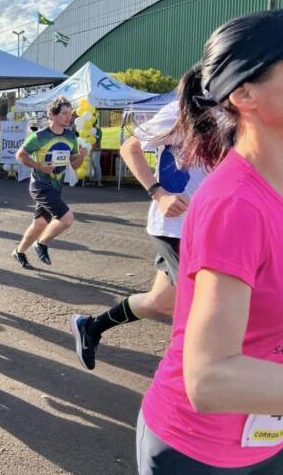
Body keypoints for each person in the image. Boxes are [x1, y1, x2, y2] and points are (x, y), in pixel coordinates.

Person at [136, 10, 283, 473]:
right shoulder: (235, 204)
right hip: (198, 450)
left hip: (273, 430)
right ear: (244, 93)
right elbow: (211, 380)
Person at [70, 97, 207, 371]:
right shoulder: (184, 111)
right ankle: (187, 389)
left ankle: (91, 327)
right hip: (177, 227)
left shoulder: (239, 112)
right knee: (204, 309)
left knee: (162, 302)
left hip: (209, 225)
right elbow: (130, 147)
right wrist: (159, 194)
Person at [12, 96, 87, 269]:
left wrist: (81, 157)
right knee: (66, 219)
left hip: (56, 186)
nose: (69, 117)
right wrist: (38, 165)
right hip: (40, 185)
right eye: (64, 113)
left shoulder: (70, 137)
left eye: (70, 113)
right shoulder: (39, 136)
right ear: (53, 115)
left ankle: (19, 251)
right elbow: (20, 155)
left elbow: (74, 166)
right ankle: (42, 244)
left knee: (40, 223)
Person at [89, 118, 104, 187]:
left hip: (96, 150)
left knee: (96, 164)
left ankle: (98, 181)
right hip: (89, 150)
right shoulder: (88, 130)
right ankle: (91, 180)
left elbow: (97, 141)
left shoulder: (98, 130)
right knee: (90, 165)